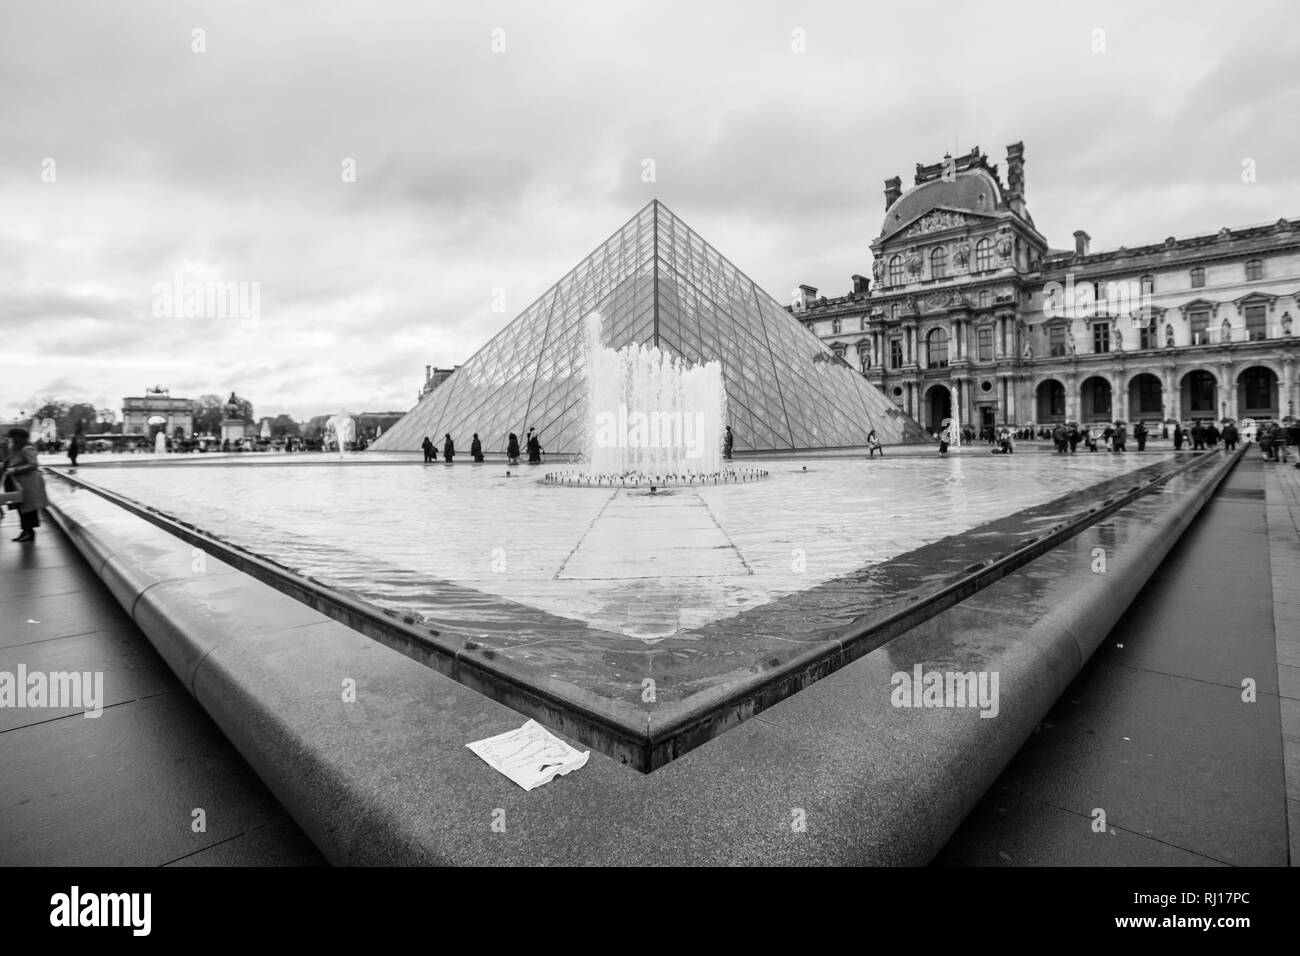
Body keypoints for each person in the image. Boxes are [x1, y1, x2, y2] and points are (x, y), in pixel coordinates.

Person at [1, 429, 49, 543]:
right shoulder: (15, 450)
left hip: (29, 484)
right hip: (21, 483)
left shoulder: (27, 448)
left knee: (27, 509)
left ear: (17, 439)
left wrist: (15, 470)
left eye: (11, 438)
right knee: (21, 508)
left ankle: (29, 532)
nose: (9, 440)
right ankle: (25, 531)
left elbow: (33, 465)